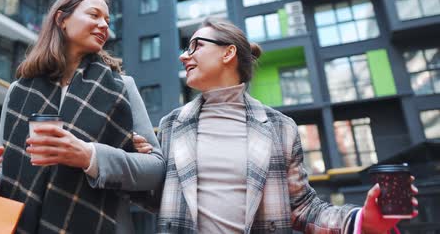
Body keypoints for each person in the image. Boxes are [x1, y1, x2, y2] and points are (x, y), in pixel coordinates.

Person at [133, 19, 418, 233]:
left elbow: (303, 207)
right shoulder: (171, 125)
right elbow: (161, 201)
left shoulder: (281, 128)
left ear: (228, 53)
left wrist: (359, 221)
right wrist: (138, 165)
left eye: (196, 45)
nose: (184, 56)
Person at [0, 0, 165, 234]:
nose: (104, 24)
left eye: (107, 20)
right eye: (94, 14)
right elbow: (6, 172)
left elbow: (155, 170)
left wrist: (89, 156)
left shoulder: (122, 88)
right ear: (62, 20)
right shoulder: (19, 91)